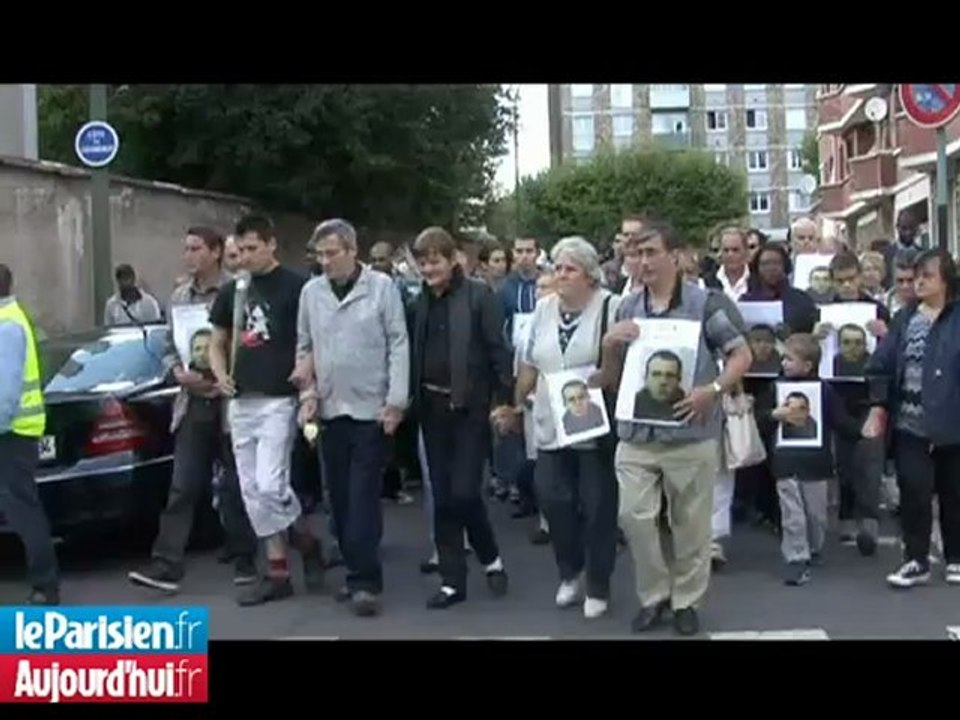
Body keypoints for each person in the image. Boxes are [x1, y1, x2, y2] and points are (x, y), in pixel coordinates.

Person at [598, 221, 752, 635]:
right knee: (634, 517)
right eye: (636, 253)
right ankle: (654, 595)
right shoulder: (627, 307)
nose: (642, 261)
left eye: (650, 252)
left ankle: (686, 601)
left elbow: (741, 355)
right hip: (636, 435)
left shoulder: (707, 304)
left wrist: (713, 389)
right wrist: (610, 345)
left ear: (675, 256)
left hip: (690, 432)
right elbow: (610, 377)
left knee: (691, 526)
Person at [128, 227, 257, 594]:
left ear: (216, 252)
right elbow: (170, 344)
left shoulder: (239, 291)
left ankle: (245, 555)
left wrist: (228, 375)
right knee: (183, 484)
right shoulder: (180, 296)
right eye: (185, 248)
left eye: (196, 248)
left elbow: (251, 339)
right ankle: (166, 563)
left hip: (231, 397)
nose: (188, 255)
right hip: (193, 402)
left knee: (237, 483)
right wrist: (178, 373)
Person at [496, 237, 620, 618]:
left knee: (598, 506)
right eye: (558, 268)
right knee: (553, 498)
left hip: (594, 424)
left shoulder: (611, 307)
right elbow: (530, 365)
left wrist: (609, 361)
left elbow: (622, 370)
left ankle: (598, 584)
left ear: (590, 276)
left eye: (570, 269)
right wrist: (516, 406)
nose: (560, 275)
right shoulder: (544, 309)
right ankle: (571, 571)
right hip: (550, 421)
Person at [208, 214, 325, 607]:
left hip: (279, 398)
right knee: (252, 491)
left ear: (272, 244)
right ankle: (281, 568)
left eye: (253, 249)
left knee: (271, 484)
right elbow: (217, 340)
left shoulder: (297, 287)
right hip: (241, 400)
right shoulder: (233, 292)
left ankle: (306, 543)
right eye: (240, 251)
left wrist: (308, 384)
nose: (246, 257)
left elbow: (311, 340)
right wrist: (221, 374)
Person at [296, 219, 409, 617]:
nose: (324, 261)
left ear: (352, 251)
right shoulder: (311, 293)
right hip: (329, 408)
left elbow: (398, 343)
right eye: (320, 255)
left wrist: (395, 401)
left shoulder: (381, 288)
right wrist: (307, 394)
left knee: (362, 496)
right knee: (338, 499)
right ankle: (353, 567)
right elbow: (305, 347)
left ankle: (365, 582)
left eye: (331, 253)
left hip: (371, 410)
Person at [411, 227, 511, 609]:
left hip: (469, 409)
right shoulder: (418, 300)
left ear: (453, 259)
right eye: (422, 262)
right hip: (431, 410)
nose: (428, 268)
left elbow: (498, 351)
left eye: (435, 260)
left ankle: (490, 556)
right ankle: (453, 581)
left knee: (465, 492)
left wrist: (503, 401)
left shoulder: (478, 296)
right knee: (443, 498)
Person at [864, 248, 960, 589]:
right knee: (914, 493)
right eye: (915, 275)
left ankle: (956, 559)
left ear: (946, 281)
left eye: (927, 276)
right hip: (910, 424)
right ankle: (916, 560)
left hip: (953, 424)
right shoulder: (905, 319)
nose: (918, 282)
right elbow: (881, 366)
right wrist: (878, 407)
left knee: (954, 494)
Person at [767, 334, 862, 585]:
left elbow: (840, 421)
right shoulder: (775, 388)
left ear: (808, 365)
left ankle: (814, 547)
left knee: (816, 514)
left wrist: (862, 430)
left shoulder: (825, 391)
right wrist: (772, 415)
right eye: (783, 358)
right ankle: (796, 557)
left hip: (816, 464)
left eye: (790, 359)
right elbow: (762, 418)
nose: (784, 363)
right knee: (792, 514)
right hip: (785, 461)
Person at [815, 250, 890, 554]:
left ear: (861, 277)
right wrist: (814, 336)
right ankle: (847, 515)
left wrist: (886, 336)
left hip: (871, 396)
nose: (846, 285)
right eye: (840, 281)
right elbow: (807, 356)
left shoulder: (877, 309)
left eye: (851, 279)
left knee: (871, 459)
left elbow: (896, 352)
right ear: (832, 281)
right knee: (844, 462)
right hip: (836, 395)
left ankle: (868, 522)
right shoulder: (823, 311)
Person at [0, 264, 60, 605]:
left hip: (12, 432)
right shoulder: (10, 318)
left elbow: (5, 393)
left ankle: (45, 584)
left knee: (22, 508)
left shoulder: (7, 326)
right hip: (15, 431)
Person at [633, 351, 687, 421]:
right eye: (656, 374)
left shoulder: (687, 407)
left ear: (679, 380)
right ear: (645, 378)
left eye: (670, 375)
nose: (663, 381)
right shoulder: (631, 405)